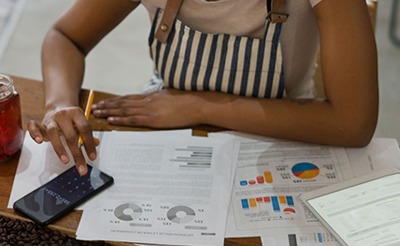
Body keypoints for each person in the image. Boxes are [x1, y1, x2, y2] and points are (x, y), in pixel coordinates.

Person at [27, 0, 378, 176]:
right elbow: (65, 37)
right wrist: (58, 102)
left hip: (289, 127)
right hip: (170, 121)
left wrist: (201, 107)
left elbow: (353, 122)